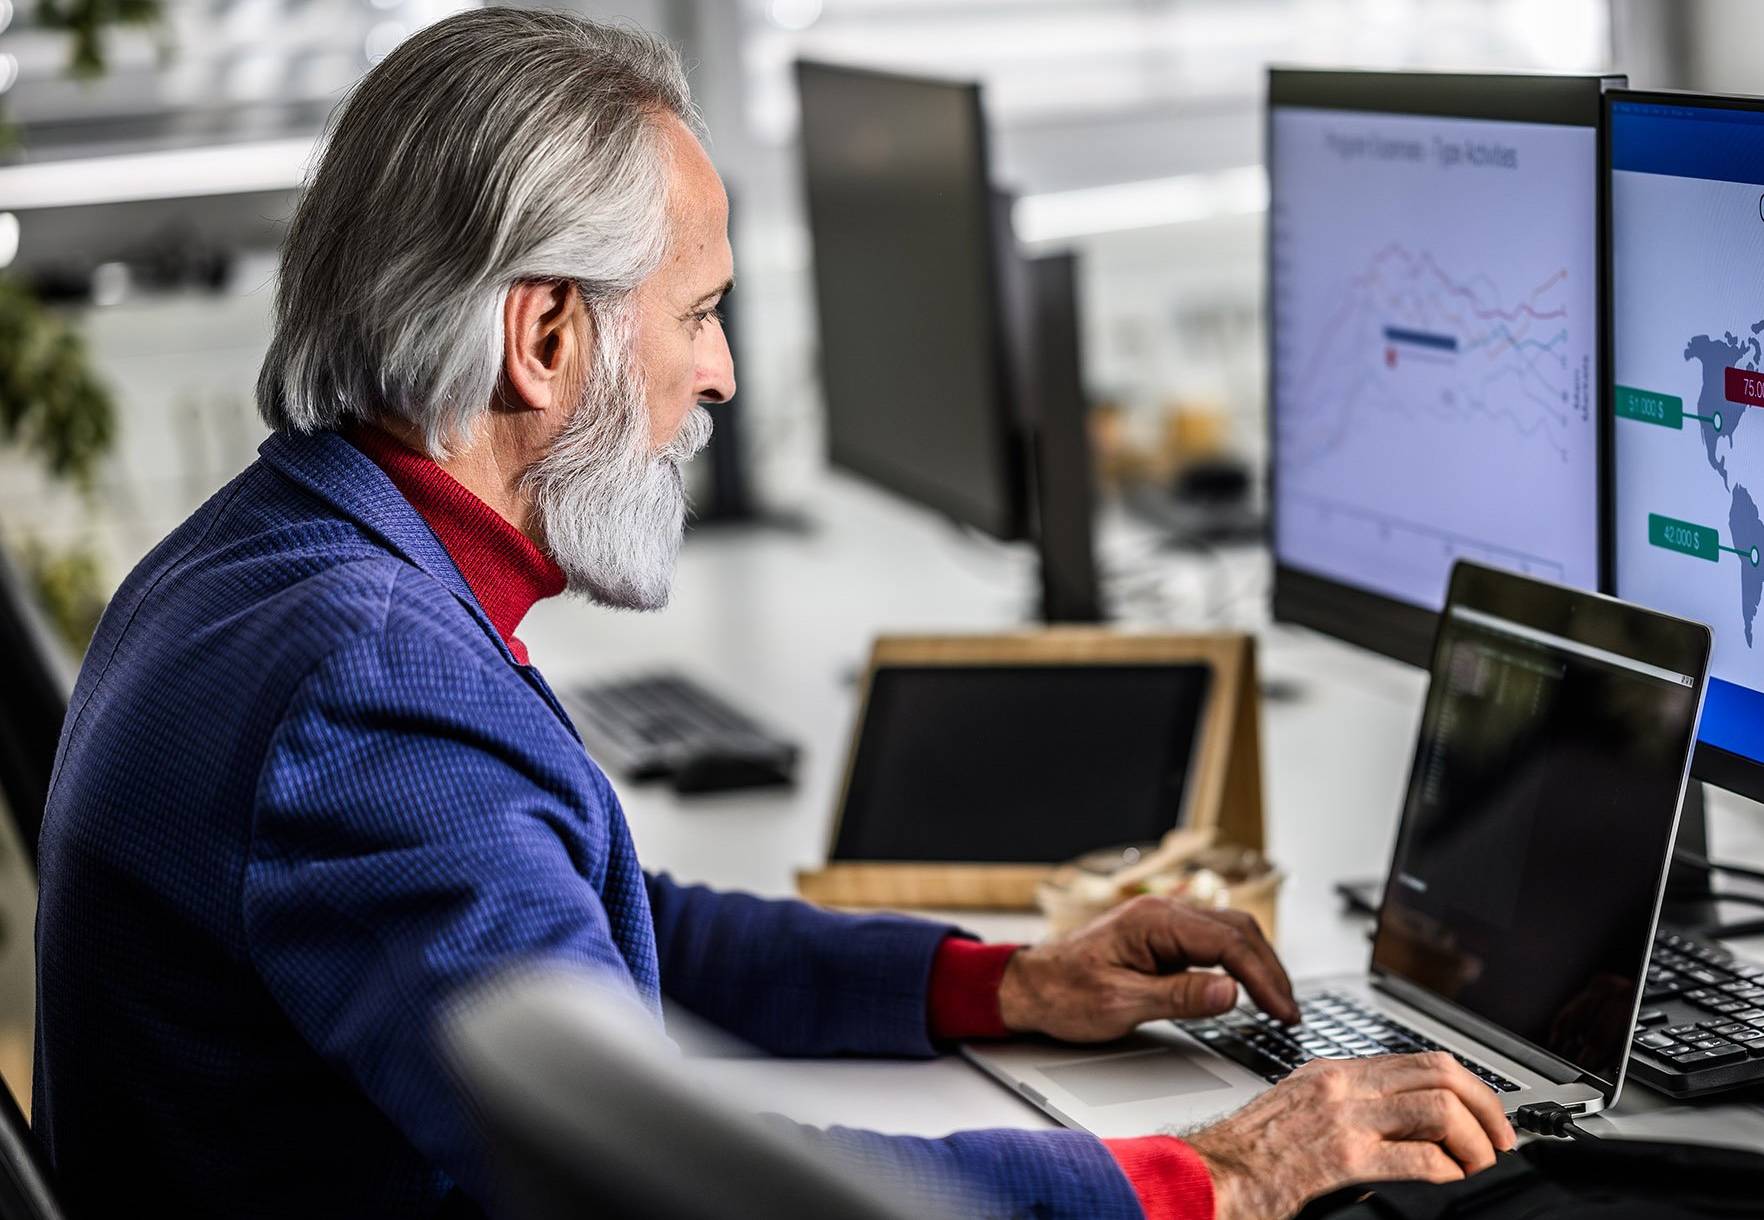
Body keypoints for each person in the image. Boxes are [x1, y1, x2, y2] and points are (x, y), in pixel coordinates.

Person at [31, 10, 1514, 1219]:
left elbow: (595, 934)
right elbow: (659, 1182)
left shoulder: (263, 553)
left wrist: (1002, 982)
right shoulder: (372, 697)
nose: (723, 375)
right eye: (696, 313)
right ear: (544, 338)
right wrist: (1213, 1175)